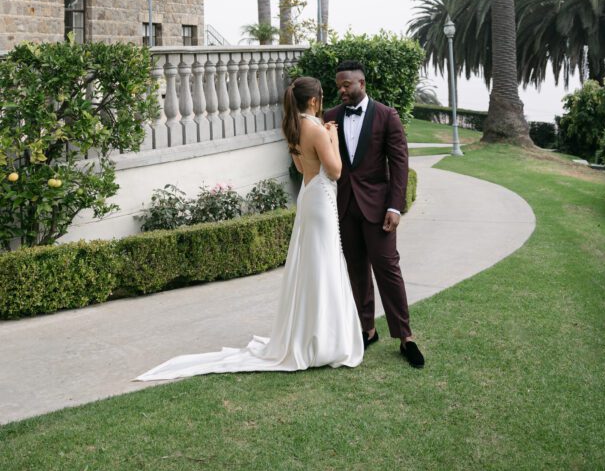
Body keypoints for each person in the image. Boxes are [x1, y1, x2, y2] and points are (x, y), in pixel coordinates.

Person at [136, 76, 363, 381]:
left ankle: (310, 331)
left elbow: (299, 167)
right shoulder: (316, 129)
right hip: (321, 199)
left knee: (312, 263)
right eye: (321, 97)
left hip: (308, 196)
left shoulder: (294, 127)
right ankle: (323, 338)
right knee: (323, 264)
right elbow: (335, 171)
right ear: (313, 101)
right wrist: (332, 137)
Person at [324, 60, 425, 368]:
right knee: (356, 271)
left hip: (379, 209)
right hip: (344, 208)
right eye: (338, 85)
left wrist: (395, 206)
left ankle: (405, 337)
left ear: (362, 84)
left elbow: (399, 164)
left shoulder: (386, 115)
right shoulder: (330, 118)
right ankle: (367, 330)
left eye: (346, 85)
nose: (341, 90)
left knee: (387, 269)